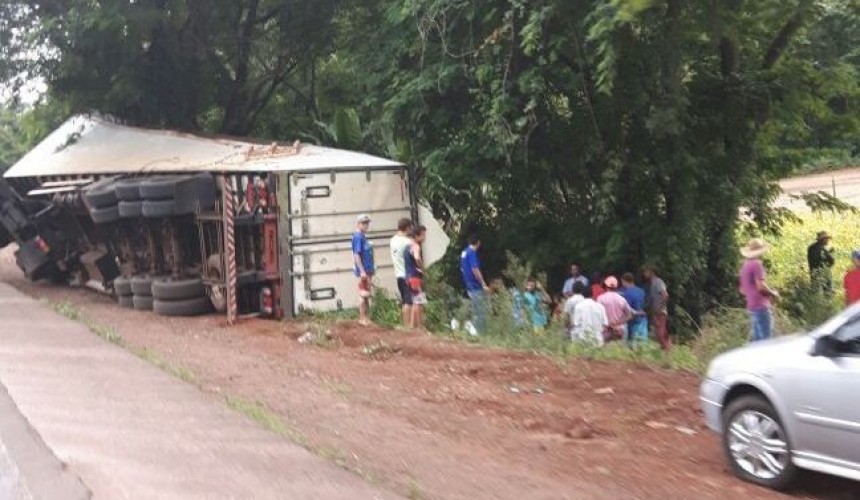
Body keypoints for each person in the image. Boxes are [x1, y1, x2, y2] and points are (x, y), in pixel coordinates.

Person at [739, 238, 779, 342]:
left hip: (752, 307)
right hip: (761, 306)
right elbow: (760, 287)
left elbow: (742, 290)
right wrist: (773, 293)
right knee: (766, 341)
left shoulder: (744, 266)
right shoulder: (757, 264)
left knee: (757, 342)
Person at [460, 235, 490, 333]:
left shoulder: (464, 252)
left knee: (474, 308)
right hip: (475, 285)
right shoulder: (472, 253)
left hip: (468, 284)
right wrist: (483, 284)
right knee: (480, 311)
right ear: (478, 242)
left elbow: (462, 268)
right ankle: (479, 333)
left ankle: (470, 329)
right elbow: (475, 269)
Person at [390, 218, 414, 326]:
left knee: (405, 300)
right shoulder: (408, 242)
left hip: (398, 275)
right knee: (409, 302)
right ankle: (409, 325)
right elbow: (414, 255)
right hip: (407, 275)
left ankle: (405, 325)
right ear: (407, 227)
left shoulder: (393, 240)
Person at [352, 214, 375, 326]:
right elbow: (356, 254)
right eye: (363, 223)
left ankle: (367, 317)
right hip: (364, 270)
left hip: (367, 269)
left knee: (366, 293)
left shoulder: (362, 236)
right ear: (358, 224)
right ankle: (362, 318)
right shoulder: (357, 237)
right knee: (363, 293)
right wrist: (362, 271)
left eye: (367, 223)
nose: (366, 225)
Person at [642, 265, 672, 350]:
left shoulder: (658, 282)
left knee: (660, 333)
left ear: (651, 272)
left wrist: (661, 308)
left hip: (660, 312)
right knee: (659, 333)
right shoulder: (652, 283)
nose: (644, 274)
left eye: (646, 272)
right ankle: (666, 351)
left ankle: (667, 351)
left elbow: (665, 295)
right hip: (655, 312)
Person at [597, 276, 632, 343]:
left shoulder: (600, 298)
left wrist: (608, 324)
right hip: (619, 330)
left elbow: (598, 315)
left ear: (606, 285)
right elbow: (629, 316)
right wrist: (617, 323)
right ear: (616, 286)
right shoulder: (622, 299)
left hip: (606, 330)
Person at [405, 225, 427, 329]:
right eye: (423, 235)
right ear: (417, 236)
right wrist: (423, 269)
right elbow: (417, 258)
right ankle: (420, 326)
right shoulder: (416, 246)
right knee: (419, 302)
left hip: (408, 276)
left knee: (414, 301)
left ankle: (412, 326)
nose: (424, 237)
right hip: (415, 277)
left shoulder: (407, 247)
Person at [620, 273, 648, 344]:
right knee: (642, 344)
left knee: (632, 344)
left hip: (633, 321)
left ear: (624, 281)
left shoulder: (627, 293)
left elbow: (627, 309)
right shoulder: (641, 291)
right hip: (643, 319)